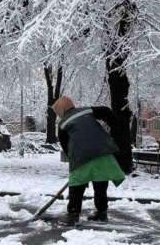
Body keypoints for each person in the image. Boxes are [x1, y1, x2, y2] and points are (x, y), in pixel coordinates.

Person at [52, 96, 126, 226]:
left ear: (60, 110)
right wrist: (115, 128)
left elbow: (65, 144)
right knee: (100, 182)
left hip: (81, 155)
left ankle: (73, 215)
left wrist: (74, 159)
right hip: (102, 150)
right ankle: (101, 213)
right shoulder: (87, 111)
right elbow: (106, 111)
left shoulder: (63, 123)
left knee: (77, 185)